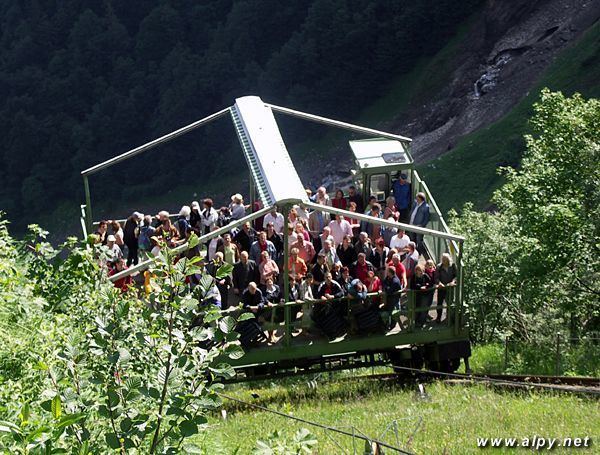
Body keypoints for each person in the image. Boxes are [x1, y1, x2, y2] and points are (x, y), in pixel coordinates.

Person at [435, 253, 457, 323]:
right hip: (441, 288)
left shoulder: (453, 266)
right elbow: (436, 278)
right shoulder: (439, 266)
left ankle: (449, 317)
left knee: (449, 303)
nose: (443, 261)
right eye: (442, 259)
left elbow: (456, 276)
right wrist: (439, 283)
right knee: (439, 303)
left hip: (450, 288)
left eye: (445, 259)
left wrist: (453, 282)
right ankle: (438, 317)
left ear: (448, 260)